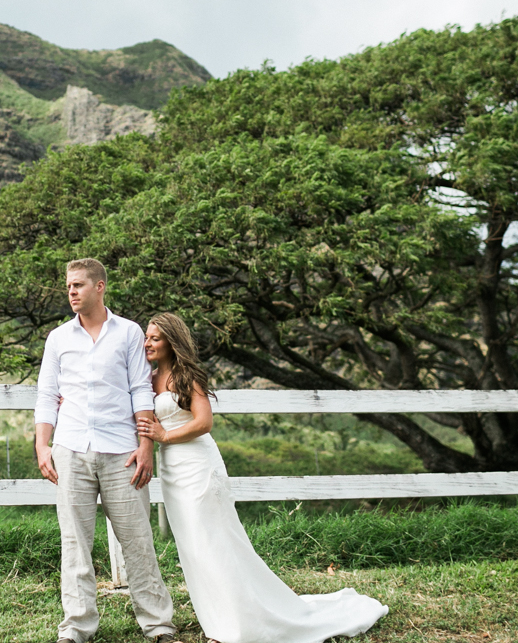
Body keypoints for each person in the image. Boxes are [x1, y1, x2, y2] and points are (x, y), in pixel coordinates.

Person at [136, 312, 389, 643]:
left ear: (172, 340)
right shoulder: (148, 379)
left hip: (198, 465)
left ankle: (237, 626)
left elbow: (203, 422)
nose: (147, 343)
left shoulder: (188, 376)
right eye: (146, 337)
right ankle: (218, 620)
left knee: (215, 542)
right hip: (171, 470)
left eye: (155, 338)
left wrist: (164, 436)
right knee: (193, 547)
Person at [35, 259, 177, 643]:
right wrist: (42, 445)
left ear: (100, 287)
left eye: (78, 285)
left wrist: (146, 444)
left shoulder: (129, 333)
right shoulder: (58, 338)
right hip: (71, 449)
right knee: (75, 542)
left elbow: (139, 389)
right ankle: (76, 627)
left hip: (122, 452)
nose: (71, 292)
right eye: (68, 286)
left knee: (138, 540)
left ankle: (159, 625)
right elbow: (47, 394)